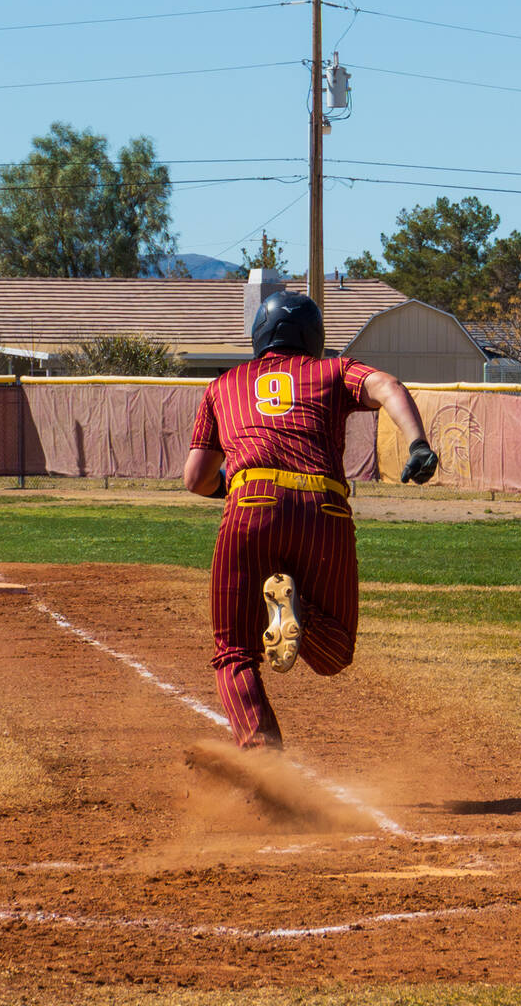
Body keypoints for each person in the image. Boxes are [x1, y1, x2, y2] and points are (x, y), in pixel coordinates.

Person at [184, 290, 438, 749]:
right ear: (314, 337)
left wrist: (238, 485)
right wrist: (418, 443)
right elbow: (388, 386)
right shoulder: (332, 370)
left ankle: (263, 758)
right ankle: (297, 610)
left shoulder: (223, 385)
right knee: (335, 652)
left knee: (234, 653)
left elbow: (196, 478)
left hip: (250, 504)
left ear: (259, 337)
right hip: (325, 506)